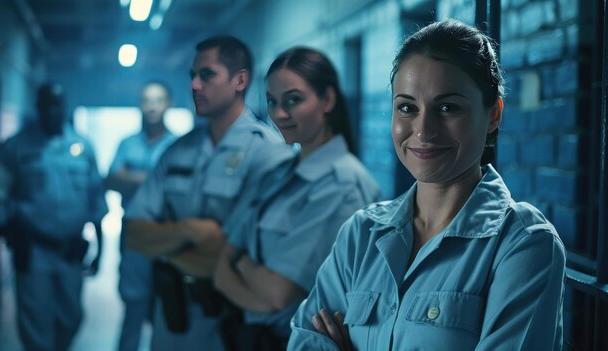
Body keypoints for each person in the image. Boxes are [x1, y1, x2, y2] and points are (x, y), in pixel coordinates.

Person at [288, 19, 566, 350]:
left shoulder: (522, 245)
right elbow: (304, 342)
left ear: (493, 115)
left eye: (447, 108)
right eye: (407, 107)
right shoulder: (361, 235)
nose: (423, 130)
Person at [124, 36, 291, 351]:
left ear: (240, 80)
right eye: (192, 76)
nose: (195, 85)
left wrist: (169, 246)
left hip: (232, 324)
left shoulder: (268, 154)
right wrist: (190, 230)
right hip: (173, 320)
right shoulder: (177, 152)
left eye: (207, 75)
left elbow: (256, 255)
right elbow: (133, 234)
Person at [213, 47, 380, 351]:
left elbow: (279, 293)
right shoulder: (277, 172)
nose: (278, 114)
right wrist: (245, 275)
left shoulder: (343, 187)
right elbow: (221, 259)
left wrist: (238, 261)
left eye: (293, 100)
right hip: (245, 336)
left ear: (327, 100)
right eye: (273, 102)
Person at [0, 82, 107, 351]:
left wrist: (101, 249)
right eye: (47, 104)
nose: (53, 111)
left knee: (71, 316)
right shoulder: (17, 147)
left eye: (58, 104)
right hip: (33, 249)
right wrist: (8, 228)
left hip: (70, 249)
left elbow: (96, 200)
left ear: (65, 107)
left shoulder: (82, 147)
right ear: (37, 107)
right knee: (35, 321)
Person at [105, 81, 177, 351]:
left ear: (168, 103)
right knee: (133, 307)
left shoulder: (179, 145)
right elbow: (111, 180)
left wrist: (132, 177)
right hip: (134, 234)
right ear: (139, 104)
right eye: (147, 100)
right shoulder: (126, 143)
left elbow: (179, 190)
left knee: (167, 308)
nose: (152, 106)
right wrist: (156, 179)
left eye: (158, 100)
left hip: (168, 234)